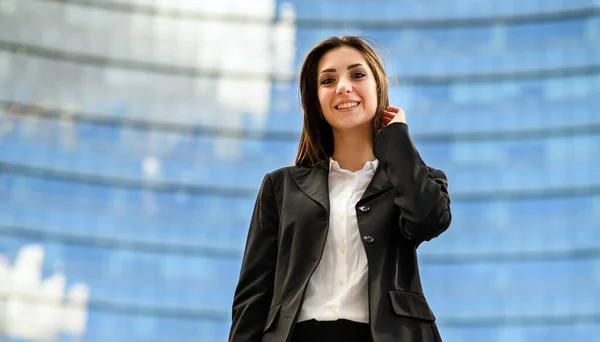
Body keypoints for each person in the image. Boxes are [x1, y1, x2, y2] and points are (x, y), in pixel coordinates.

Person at [228, 36, 451, 342]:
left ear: (378, 88)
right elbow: (253, 296)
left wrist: (397, 140)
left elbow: (429, 220)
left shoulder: (414, 179)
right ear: (316, 101)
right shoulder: (280, 187)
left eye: (357, 74)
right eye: (328, 80)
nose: (343, 86)